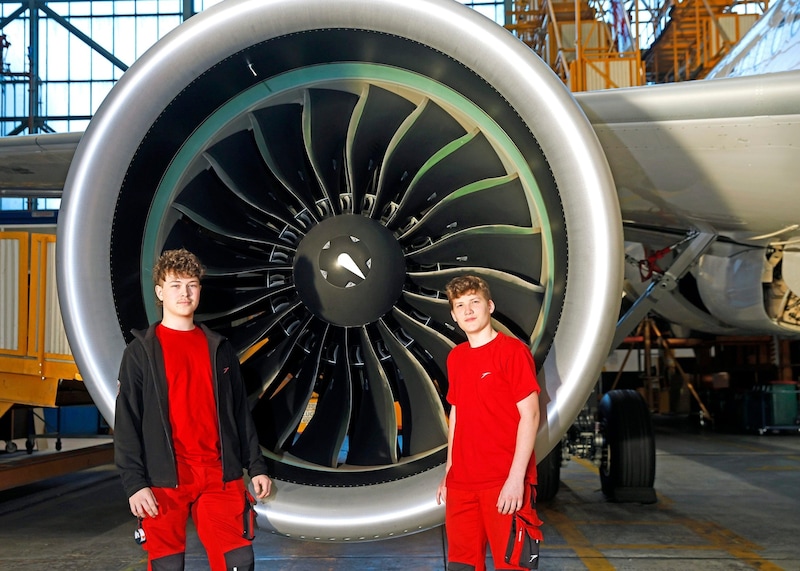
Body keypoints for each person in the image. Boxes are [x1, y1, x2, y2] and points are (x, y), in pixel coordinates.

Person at [114, 248, 272, 571]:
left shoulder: (220, 349)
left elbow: (241, 413)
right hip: (164, 480)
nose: (184, 293)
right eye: (175, 285)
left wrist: (255, 466)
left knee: (238, 562)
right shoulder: (140, 353)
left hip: (218, 475)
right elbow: (127, 422)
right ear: (160, 292)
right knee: (167, 565)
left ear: (200, 290)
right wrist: (135, 483)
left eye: (192, 285)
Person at [436, 275, 543, 570]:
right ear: (454, 316)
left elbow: (530, 416)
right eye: (460, 305)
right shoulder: (456, 358)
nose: (468, 310)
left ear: (490, 306)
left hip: (503, 481)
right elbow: (457, 414)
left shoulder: (513, 352)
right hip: (462, 484)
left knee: (513, 565)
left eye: (475, 302)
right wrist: (449, 470)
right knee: (462, 566)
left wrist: (515, 479)